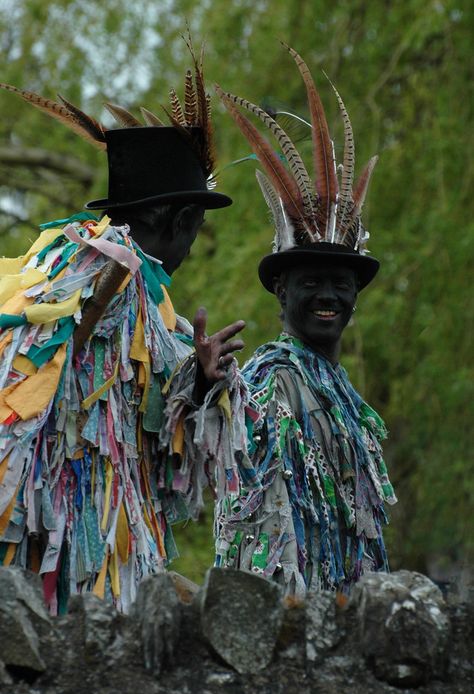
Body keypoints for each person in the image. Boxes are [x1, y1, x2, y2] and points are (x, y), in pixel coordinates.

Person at [0, 50, 247, 613]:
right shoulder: (83, 263)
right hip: (51, 521)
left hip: (120, 530)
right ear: (177, 219)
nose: (192, 243)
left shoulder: (152, 302)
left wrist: (200, 386)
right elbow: (17, 380)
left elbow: (166, 446)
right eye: (197, 226)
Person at [212, 46, 397, 597]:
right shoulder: (271, 381)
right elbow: (255, 524)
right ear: (282, 290)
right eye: (312, 282)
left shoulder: (344, 398)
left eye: (341, 285)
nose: (329, 297)